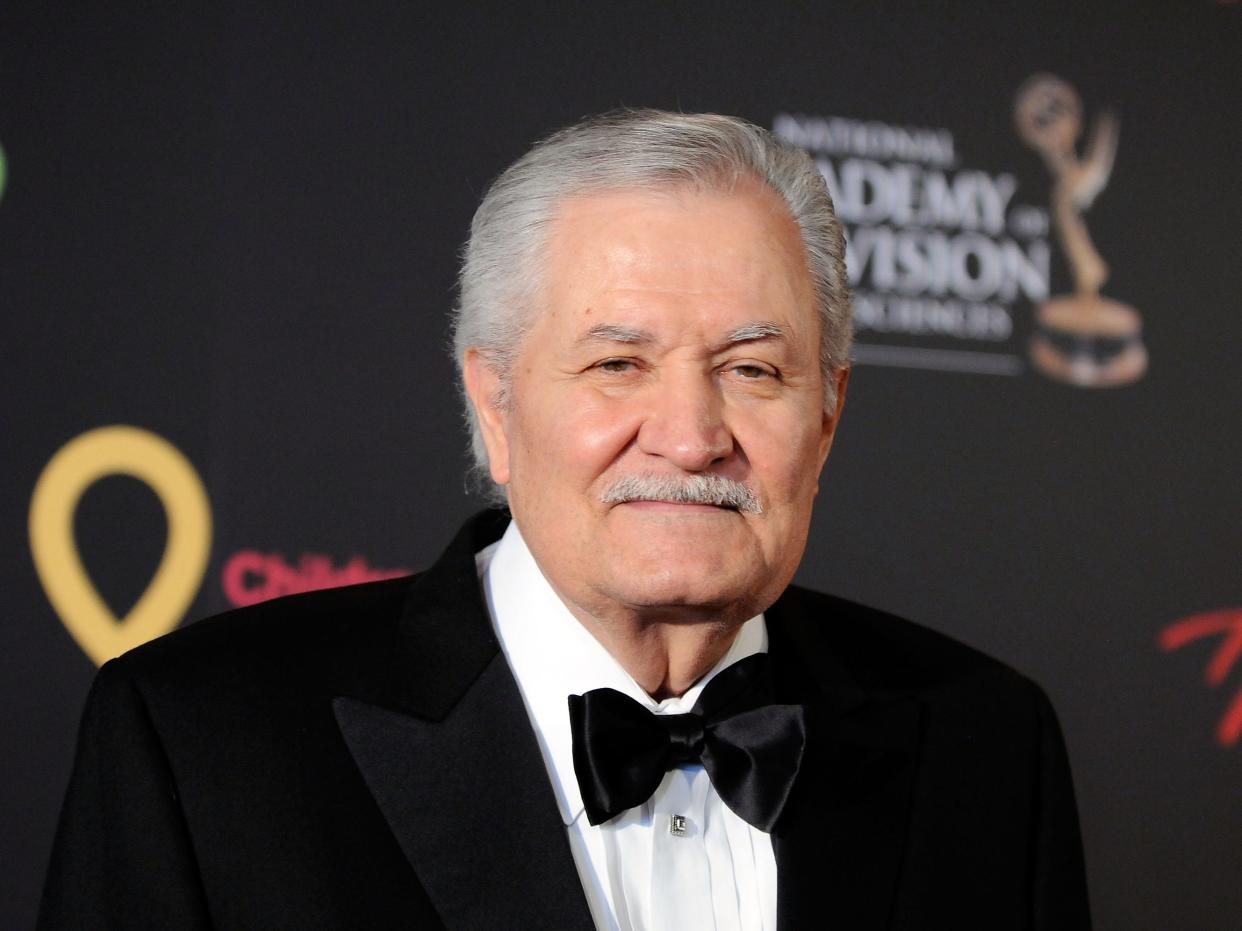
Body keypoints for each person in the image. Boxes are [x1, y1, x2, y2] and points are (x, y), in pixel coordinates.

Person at [39, 110, 1090, 930]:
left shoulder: (986, 744)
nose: (689, 435)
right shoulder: (201, 745)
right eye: (617, 364)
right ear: (494, 405)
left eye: (753, 370)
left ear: (827, 416)